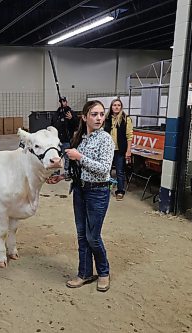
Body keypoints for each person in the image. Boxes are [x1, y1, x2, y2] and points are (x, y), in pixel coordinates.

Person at [47, 100, 114, 292]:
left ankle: (103, 272)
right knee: (82, 235)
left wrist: (80, 157)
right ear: (84, 117)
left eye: (101, 114)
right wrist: (62, 176)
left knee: (93, 236)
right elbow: (77, 170)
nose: (99, 118)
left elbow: (104, 170)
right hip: (80, 190)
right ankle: (84, 273)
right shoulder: (80, 137)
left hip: (98, 192)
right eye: (94, 114)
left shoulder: (106, 140)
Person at [104, 98, 133, 201]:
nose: (116, 107)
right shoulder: (106, 118)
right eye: (114, 105)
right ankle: (105, 188)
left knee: (120, 171)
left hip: (120, 150)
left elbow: (129, 136)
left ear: (121, 107)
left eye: (118, 105)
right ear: (111, 107)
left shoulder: (126, 119)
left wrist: (128, 150)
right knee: (106, 170)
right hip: (107, 150)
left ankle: (120, 191)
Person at [51, 96, 78, 179]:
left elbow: (76, 125)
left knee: (67, 157)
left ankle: (67, 171)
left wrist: (71, 118)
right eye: (61, 102)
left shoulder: (70, 113)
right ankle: (56, 171)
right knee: (57, 156)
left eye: (64, 101)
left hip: (67, 139)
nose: (62, 103)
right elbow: (52, 124)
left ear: (66, 102)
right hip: (57, 140)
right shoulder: (56, 114)